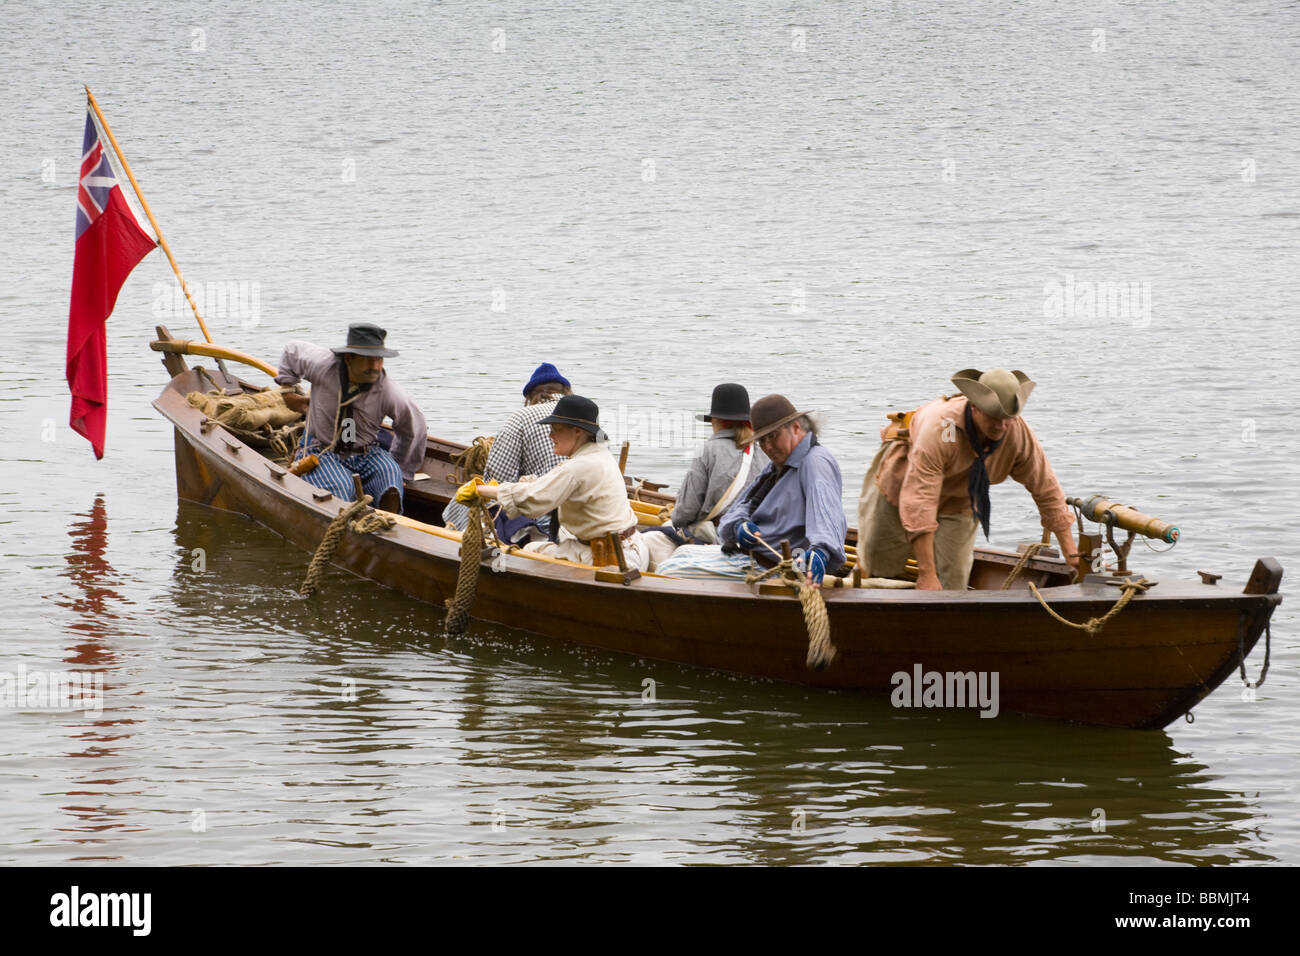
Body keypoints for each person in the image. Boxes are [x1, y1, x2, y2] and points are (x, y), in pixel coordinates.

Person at [856, 367, 1079, 591]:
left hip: (961, 496)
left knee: (954, 582)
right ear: (974, 407)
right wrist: (926, 574)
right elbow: (920, 500)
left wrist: (1071, 555)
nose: (1002, 426)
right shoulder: (944, 429)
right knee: (879, 563)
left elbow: (1047, 491)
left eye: (1007, 419)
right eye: (994, 418)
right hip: (902, 481)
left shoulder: (1017, 432)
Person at [655, 394, 847, 585]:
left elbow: (827, 515)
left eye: (773, 436)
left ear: (796, 427)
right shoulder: (778, 464)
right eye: (762, 440)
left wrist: (821, 552)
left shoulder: (815, 462)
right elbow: (742, 506)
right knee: (683, 552)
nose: (768, 447)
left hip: (775, 569)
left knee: (667, 570)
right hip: (752, 558)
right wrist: (739, 526)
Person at [454, 395, 648, 571]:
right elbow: (545, 486)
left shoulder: (577, 467)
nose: (550, 436)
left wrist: (480, 489)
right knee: (534, 547)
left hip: (609, 561)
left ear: (577, 431)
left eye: (556, 430)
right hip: (630, 549)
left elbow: (533, 499)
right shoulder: (600, 454)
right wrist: (500, 488)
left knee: (527, 554)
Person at [275, 323, 427, 513]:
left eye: (379, 359)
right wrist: (288, 391)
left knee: (390, 478)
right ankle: (343, 524)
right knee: (340, 486)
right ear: (349, 358)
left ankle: (386, 526)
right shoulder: (323, 364)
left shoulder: (390, 392)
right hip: (321, 449)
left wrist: (402, 468)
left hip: (366, 452)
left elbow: (414, 429)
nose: (375, 367)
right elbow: (292, 350)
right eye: (367, 360)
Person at [641, 383, 769, 570]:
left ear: (715, 420)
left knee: (648, 540)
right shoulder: (764, 453)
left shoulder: (707, 450)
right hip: (757, 539)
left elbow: (684, 513)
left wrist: (675, 518)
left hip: (718, 537)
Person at [442, 362, 572, 536]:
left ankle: (457, 538)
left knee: (466, 495)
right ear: (565, 391)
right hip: (576, 513)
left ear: (531, 396)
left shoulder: (522, 417)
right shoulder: (583, 417)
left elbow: (497, 479)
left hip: (543, 516)